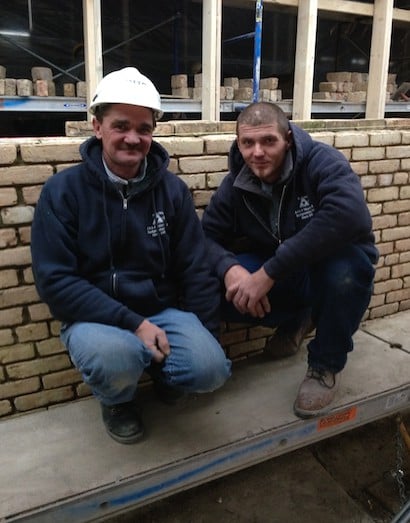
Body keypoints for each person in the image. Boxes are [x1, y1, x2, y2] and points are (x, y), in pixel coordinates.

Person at [30, 67, 231, 444]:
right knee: (116, 358)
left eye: (144, 129)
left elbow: (194, 267)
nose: (133, 138)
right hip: (92, 315)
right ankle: (118, 400)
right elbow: (56, 281)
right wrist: (134, 324)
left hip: (160, 309)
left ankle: (164, 373)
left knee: (211, 370)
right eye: (121, 125)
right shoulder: (64, 192)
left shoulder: (172, 192)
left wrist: (208, 336)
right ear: (97, 126)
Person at [202, 101, 378, 419]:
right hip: (289, 276)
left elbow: (349, 214)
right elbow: (205, 238)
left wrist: (268, 272)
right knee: (213, 283)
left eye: (268, 140)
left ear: (287, 139)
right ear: (238, 144)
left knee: (345, 273)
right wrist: (231, 271)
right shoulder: (236, 186)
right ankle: (298, 317)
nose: (258, 152)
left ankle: (325, 365)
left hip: (333, 269)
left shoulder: (320, 162)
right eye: (247, 143)